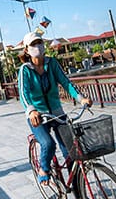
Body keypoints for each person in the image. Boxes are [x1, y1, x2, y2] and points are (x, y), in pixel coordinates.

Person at [17, 31, 92, 186]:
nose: (38, 46)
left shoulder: (52, 63)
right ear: (26, 49)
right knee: (48, 144)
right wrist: (31, 110)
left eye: (40, 42)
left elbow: (66, 83)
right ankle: (44, 169)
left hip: (57, 113)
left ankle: (81, 196)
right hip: (38, 116)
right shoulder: (25, 70)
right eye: (33, 44)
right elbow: (23, 94)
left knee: (71, 152)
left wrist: (81, 98)